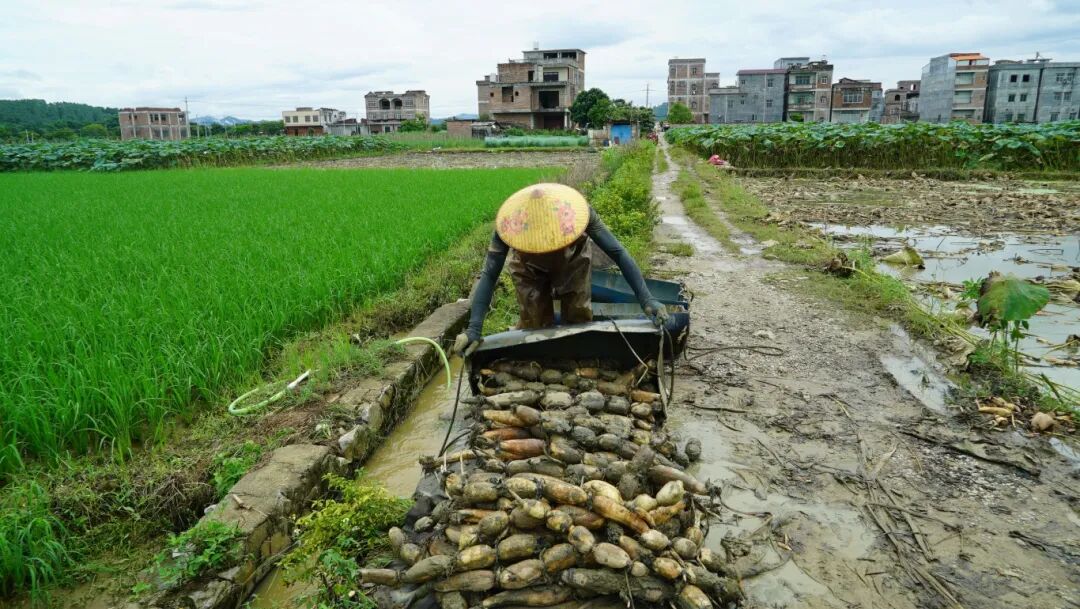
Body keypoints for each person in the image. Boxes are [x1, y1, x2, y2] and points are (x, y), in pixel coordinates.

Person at [454, 182, 668, 355]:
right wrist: (474, 329)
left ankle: (577, 356)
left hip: (572, 262)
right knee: (533, 325)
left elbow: (618, 253)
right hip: (528, 269)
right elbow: (490, 274)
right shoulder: (509, 225)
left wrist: (646, 299)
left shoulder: (580, 214)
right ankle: (539, 359)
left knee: (578, 317)